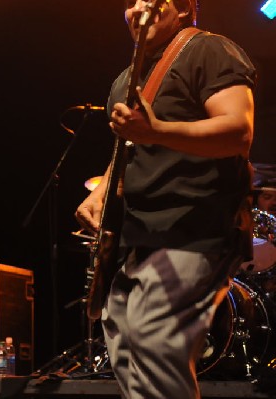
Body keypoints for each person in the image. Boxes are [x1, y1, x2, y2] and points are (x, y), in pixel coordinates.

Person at [74, 1, 256, 398]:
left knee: (155, 342)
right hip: (139, 236)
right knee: (123, 344)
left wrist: (156, 131)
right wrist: (103, 192)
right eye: (129, 2)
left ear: (183, 7)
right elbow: (128, 150)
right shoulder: (126, 79)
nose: (137, 8)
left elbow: (238, 132)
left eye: (150, 0)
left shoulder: (209, 49)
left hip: (195, 227)